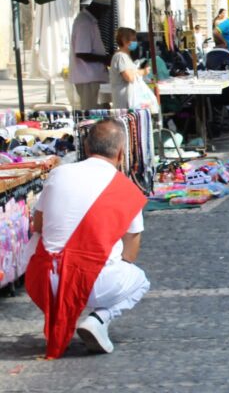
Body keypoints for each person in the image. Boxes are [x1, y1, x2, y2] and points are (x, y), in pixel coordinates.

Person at [26, 119, 150, 357]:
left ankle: (65, 315)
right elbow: (130, 254)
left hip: (43, 281)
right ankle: (99, 318)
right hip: (92, 281)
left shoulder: (58, 173)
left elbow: (37, 225)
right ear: (122, 153)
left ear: (86, 145)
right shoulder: (128, 190)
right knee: (139, 280)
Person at [71, 0, 111, 110]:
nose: (104, 15)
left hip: (93, 77)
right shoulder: (85, 23)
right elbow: (82, 53)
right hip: (88, 78)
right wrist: (105, 59)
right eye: (104, 11)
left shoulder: (89, 21)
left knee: (102, 111)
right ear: (98, 8)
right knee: (92, 114)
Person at [109, 28, 149, 110]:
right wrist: (143, 72)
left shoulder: (125, 57)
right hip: (123, 103)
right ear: (124, 40)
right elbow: (129, 77)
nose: (136, 42)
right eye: (133, 39)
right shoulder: (121, 57)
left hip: (128, 101)